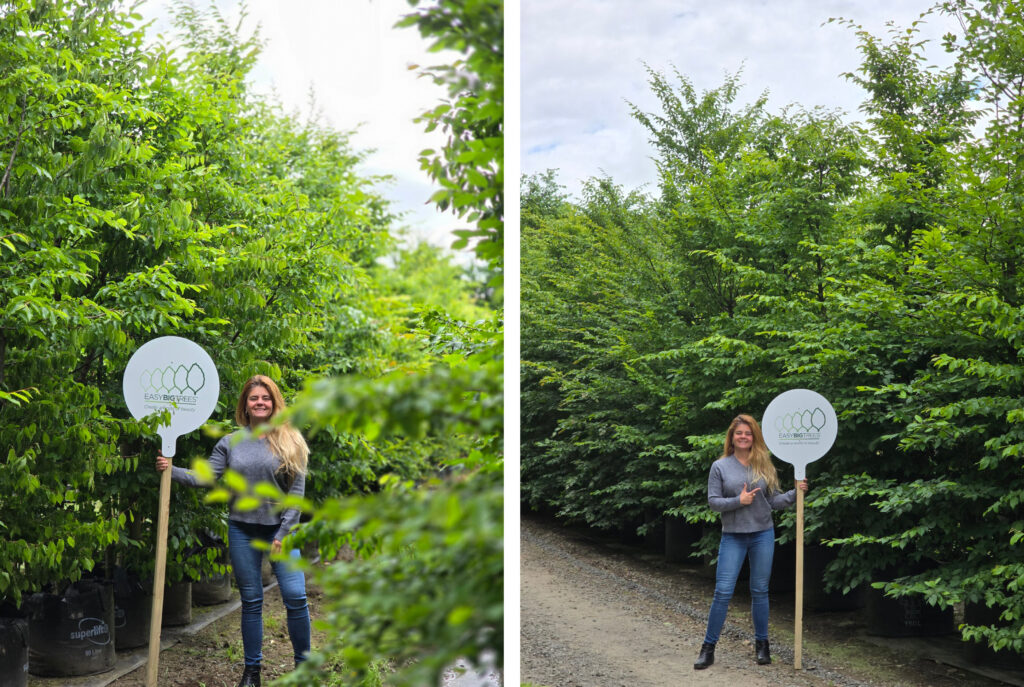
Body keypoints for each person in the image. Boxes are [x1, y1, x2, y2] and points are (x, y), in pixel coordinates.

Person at [157, 374, 311, 687]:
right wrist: (171, 470)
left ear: (274, 402)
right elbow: (206, 476)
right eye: (254, 398)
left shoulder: (290, 439)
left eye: (265, 398)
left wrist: (282, 534)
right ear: (245, 404)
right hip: (242, 529)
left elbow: (296, 494)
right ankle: (252, 672)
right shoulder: (231, 443)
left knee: (295, 596)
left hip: (282, 532)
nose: (260, 403)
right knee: (251, 601)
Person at [693, 413, 808, 670]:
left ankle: (762, 645)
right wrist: (738, 501)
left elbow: (773, 501)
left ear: (754, 436)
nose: (743, 437)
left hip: (762, 535)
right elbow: (713, 502)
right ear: (731, 438)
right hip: (733, 536)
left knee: (759, 591)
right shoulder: (720, 466)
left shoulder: (763, 464)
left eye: (748, 433)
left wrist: (794, 493)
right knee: (722, 592)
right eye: (738, 433)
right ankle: (708, 648)